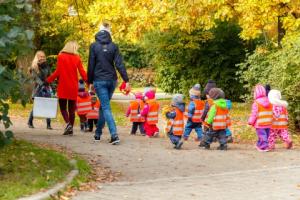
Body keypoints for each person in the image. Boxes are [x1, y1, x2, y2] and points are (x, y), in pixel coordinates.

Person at [87, 22, 130, 144]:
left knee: (105, 107)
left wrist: (89, 82)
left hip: (99, 80)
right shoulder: (114, 46)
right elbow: (119, 64)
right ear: (109, 33)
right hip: (112, 80)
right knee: (103, 107)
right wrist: (126, 80)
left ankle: (114, 135)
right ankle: (97, 134)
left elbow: (91, 65)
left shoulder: (94, 46)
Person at [47, 41, 87, 135]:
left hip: (63, 86)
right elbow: (82, 72)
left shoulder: (60, 56)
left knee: (63, 108)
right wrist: (88, 81)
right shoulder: (77, 58)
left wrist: (48, 80)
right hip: (73, 86)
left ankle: (68, 124)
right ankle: (70, 129)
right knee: (72, 110)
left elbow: (58, 71)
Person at [27, 50, 52, 129]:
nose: (42, 58)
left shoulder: (47, 66)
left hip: (46, 88)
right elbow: (36, 78)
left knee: (48, 105)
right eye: (41, 56)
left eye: (43, 56)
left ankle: (48, 124)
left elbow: (50, 76)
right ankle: (30, 121)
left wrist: (49, 82)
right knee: (37, 106)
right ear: (37, 57)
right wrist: (43, 83)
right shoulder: (33, 67)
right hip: (38, 88)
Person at [248, 84, 272, 152]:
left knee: (262, 135)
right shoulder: (269, 101)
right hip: (268, 122)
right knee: (266, 135)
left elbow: (254, 114)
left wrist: (250, 121)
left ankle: (264, 147)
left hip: (260, 123)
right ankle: (259, 145)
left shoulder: (256, 103)